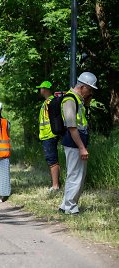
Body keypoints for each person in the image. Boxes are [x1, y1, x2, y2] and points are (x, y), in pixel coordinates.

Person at [59, 72, 97, 215]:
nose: (91, 92)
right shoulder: (70, 99)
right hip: (74, 142)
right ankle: (71, 208)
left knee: (74, 174)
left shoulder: (78, 99)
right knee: (76, 176)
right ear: (82, 87)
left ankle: (65, 205)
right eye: (90, 89)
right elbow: (72, 126)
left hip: (76, 141)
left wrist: (86, 102)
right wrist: (82, 147)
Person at [36, 81, 61, 192]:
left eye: (41, 88)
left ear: (45, 89)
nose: (40, 90)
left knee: (52, 160)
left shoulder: (49, 102)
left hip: (49, 135)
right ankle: (56, 184)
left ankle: (55, 186)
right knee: (52, 159)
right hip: (48, 135)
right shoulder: (48, 102)